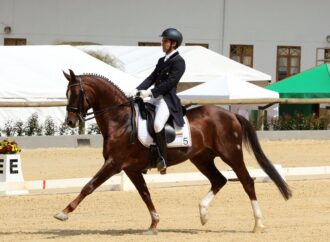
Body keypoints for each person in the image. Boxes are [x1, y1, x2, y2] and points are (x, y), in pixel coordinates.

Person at [131, 28, 186, 174]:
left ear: (174, 43)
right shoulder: (162, 60)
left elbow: (170, 83)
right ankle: (144, 157)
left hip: (167, 101)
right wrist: (137, 90)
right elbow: (151, 78)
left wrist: (150, 92)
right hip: (155, 99)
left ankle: (162, 159)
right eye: (163, 41)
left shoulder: (179, 62)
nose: (162, 43)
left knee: (157, 124)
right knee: (139, 116)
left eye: (165, 41)